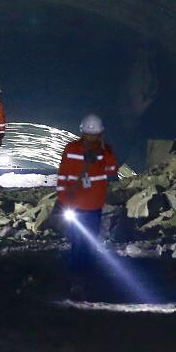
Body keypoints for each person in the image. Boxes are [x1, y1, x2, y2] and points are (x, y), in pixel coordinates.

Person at [56, 113, 118, 296]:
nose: (92, 137)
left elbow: (112, 170)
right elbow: (112, 170)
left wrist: (63, 200)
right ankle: (80, 279)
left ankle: (80, 279)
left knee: (81, 242)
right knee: (84, 242)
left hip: (84, 206)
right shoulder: (80, 150)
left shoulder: (95, 151)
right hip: (87, 207)